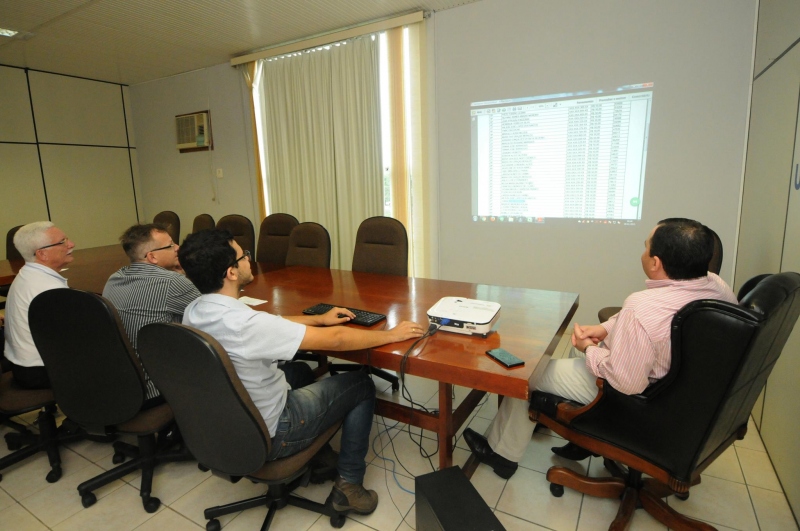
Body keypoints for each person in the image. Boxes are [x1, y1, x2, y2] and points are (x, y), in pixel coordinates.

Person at [463, 218, 738, 479]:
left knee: (525, 376)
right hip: (680, 396)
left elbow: (625, 382)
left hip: (638, 400)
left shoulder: (641, 307)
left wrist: (588, 349)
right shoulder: (717, 286)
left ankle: (502, 455)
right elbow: (653, 320)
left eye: (646, 246)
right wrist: (606, 329)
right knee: (569, 358)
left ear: (655, 262)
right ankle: (579, 438)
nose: (642, 251)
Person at [178, 229, 424, 516]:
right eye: (243, 256)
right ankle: (349, 486)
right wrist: (392, 335)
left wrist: (318, 318)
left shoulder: (194, 310)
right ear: (231, 272)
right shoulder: (244, 324)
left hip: (223, 424)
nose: (249, 260)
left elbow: (265, 322)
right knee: (361, 385)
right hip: (271, 434)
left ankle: (318, 457)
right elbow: (337, 341)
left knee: (297, 371)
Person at [103, 224, 200, 406]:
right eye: (170, 245)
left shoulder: (114, 278)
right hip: (154, 386)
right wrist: (182, 276)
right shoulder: (172, 283)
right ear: (152, 256)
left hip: (121, 383)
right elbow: (211, 313)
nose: (178, 248)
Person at [4, 222, 75, 389]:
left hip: (22, 365)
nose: (71, 244)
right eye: (62, 241)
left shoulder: (27, 274)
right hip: (39, 373)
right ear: (42, 254)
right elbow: (71, 339)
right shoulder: (47, 289)